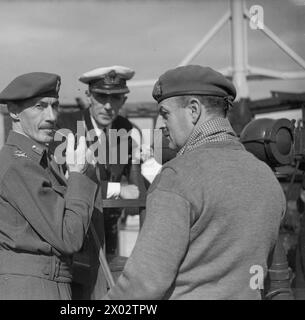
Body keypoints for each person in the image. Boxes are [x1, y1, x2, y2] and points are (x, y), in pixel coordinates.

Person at [103, 65, 286, 300]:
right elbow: (273, 280)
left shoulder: (178, 177)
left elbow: (142, 286)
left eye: (165, 113)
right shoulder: (265, 177)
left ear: (193, 111)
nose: (163, 124)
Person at [0, 72, 97, 300]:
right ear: (14, 111)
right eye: (39, 107)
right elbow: (69, 237)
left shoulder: (38, 162)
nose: (51, 116)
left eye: (54, 106)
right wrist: (78, 175)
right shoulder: (19, 166)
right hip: (33, 289)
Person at [55, 66, 144, 299]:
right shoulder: (67, 127)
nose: (108, 106)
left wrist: (135, 162)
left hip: (110, 237)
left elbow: (136, 201)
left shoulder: (128, 131)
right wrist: (118, 189)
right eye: (101, 97)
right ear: (88, 97)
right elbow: (68, 184)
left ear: (124, 99)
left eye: (115, 98)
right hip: (76, 236)